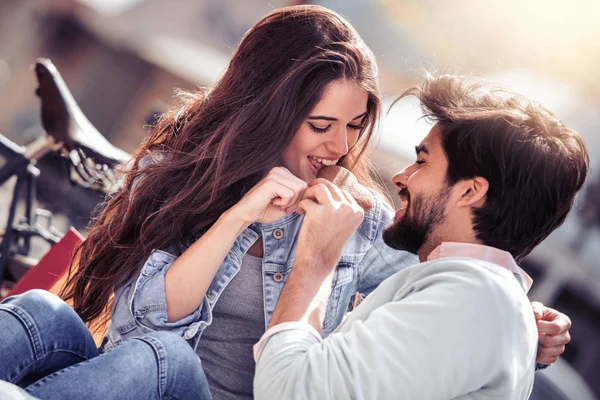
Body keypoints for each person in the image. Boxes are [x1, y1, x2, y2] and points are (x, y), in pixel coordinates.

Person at [0, 5, 570, 399]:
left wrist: (529, 320)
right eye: (322, 124)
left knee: (165, 359)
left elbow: (449, 275)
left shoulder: (358, 219)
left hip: (177, 377)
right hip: (135, 377)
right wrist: (237, 217)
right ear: (269, 113)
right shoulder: (177, 176)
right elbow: (141, 321)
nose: (340, 146)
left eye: (354, 126)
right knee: (45, 313)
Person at [253, 74, 589, 399]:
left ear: (470, 191)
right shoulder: (476, 296)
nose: (401, 176)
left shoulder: (473, 298)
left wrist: (318, 259)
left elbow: (290, 391)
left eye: (421, 162)